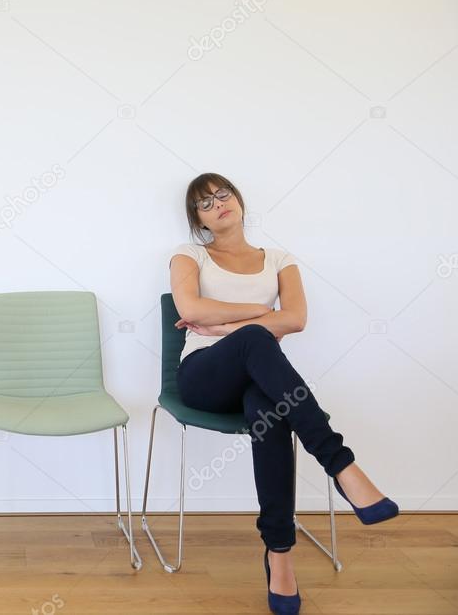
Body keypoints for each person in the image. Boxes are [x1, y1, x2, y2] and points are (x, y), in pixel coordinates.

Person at [169, 172, 399, 615]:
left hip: (260, 381)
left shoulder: (279, 258)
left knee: (269, 413)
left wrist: (229, 326)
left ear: (238, 200)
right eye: (205, 202)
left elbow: (296, 319)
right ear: (199, 220)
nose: (218, 203)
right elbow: (190, 309)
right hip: (204, 376)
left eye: (223, 194)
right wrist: (259, 315)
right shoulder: (189, 254)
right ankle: (342, 465)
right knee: (257, 339)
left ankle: (280, 556)